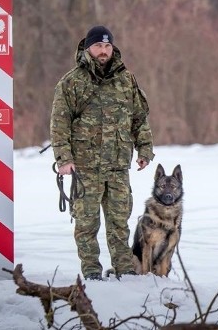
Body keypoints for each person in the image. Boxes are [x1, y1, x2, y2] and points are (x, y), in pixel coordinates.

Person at [50, 25, 155, 281]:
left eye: (107, 46)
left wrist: (144, 148)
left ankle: (126, 272)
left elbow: (139, 118)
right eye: (98, 46)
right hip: (84, 168)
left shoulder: (126, 79)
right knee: (86, 225)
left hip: (118, 167)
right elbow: (59, 124)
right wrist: (64, 159)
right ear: (88, 48)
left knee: (119, 224)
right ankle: (92, 274)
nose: (103, 51)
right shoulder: (72, 82)